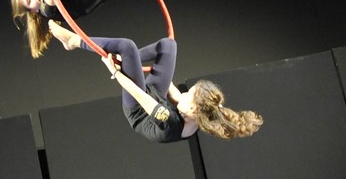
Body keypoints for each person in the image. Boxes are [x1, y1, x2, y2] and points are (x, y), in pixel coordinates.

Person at [48, 21, 263, 143]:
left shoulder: (170, 119)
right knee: (169, 46)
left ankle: (73, 41)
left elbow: (140, 95)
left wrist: (115, 71)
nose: (185, 92)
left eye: (188, 95)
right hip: (157, 98)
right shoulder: (204, 112)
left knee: (127, 46)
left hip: (139, 110)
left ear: (194, 109)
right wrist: (156, 69)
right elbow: (174, 94)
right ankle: (127, 59)